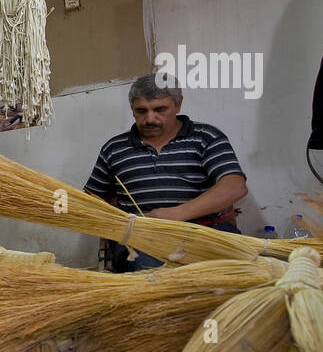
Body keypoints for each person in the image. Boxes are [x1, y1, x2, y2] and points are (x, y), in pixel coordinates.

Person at [84, 75, 248, 271]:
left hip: (207, 232)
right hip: (143, 240)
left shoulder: (206, 137)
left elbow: (235, 186)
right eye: (141, 111)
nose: (150, 119)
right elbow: (91, 199)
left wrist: (177, 214)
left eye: (160, 109)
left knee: (237, 273)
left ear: (178, 105)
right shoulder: (115, 149)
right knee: (151, 271)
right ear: (132, 110)